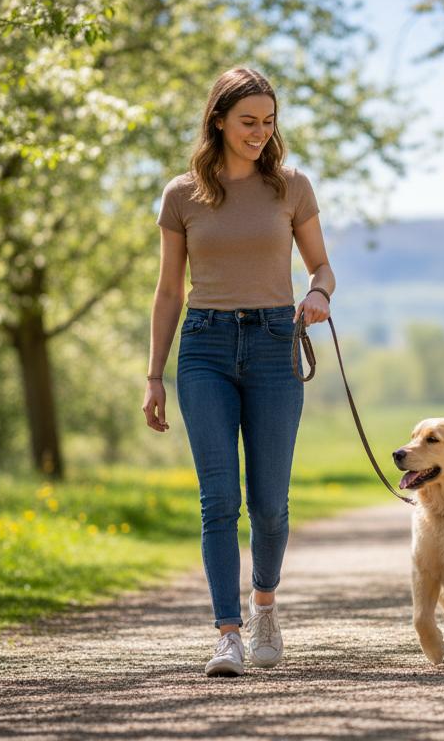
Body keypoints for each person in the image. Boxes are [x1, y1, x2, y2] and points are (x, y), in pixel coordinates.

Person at [141, 67, 334, 678]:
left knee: (270, 504)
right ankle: (227, 632)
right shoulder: (182, 195)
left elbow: (322, 266)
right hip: (204, 347)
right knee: (218, 500)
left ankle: (265, 607)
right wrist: (153, 375)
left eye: (268, 122)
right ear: (218, 120)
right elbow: (169, 291)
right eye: (247, 121)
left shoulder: (291, 187)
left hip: (277, 341)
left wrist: (320, 294)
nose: (259, 132)